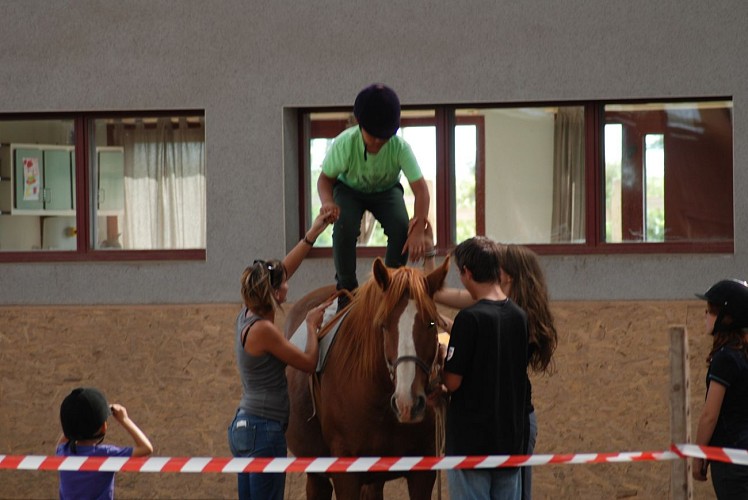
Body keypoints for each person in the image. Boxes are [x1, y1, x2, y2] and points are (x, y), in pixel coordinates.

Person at [228, 211, 334, 500]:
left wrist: (313, 233)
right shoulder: (265, 331)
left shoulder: (247, 311)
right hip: (263, 430)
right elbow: (309, 362)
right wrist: (311, 325)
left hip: (246, 426)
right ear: (274, 293)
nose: (288, 283)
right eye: (283, 284)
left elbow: (284, 269)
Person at [317, 83, 430, 308]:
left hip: (386, 191)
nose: (378, 142)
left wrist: (418, 230)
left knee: (400, 226)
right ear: (360, 124)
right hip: (349, 190)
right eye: (373, 136)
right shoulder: (344, 144)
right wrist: (328, 202)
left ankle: (391, 283)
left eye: (384, 137)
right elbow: (324, 180)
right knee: (344, 227)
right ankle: (346, 289)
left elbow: (421, 191)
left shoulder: (400, 148)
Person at [439, 236, 528, 499]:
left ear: (466, 273)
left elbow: (452, 382)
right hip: (510, 442)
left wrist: (443, 356)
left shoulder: (469, 319)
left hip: (470, 445)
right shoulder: (519, 316)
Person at [498, 244, 558, 500]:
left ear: (509, 276)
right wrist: (436, 321)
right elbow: (443, 295)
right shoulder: (511, 312)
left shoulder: (516, 318)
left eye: (497, 267)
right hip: (519, 418)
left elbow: (485, 334)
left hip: (517, 420)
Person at [692, 278, 748, 498]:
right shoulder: (743, 354)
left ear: (727, 318)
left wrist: (698, 456)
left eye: (711, 310)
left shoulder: (725, 358)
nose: (706, 315)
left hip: (730, 460)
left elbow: (709, 415)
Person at [57, 387, 153, 500]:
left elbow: (66, 436)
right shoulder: (106, 455)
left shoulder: (62, 452)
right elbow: (146, 448)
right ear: (104, 427)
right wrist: (124, 419)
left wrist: (74, 420)